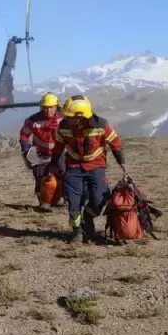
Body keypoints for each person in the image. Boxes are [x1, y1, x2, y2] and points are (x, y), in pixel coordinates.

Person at [51, 95, 128, 244]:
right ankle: (77, 231)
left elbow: (115, 143)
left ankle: (88, 216)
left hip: (96, 166)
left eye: (71, 117)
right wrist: (54, 164)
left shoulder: (101, 125)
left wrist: (122, 163)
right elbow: (58, 146)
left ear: (81, 116)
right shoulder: (63, 126)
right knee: (73, 204)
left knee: (100, 198)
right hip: (73, 168)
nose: (67, 118)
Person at [18, 91, 64, 211]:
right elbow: (24, 135)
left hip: (60, 153)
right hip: (40, 154)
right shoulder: (32, 120)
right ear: (41, 107)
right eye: (45, 107)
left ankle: (61, 197)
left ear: (56, 106)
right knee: (41, 178)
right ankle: (44, 202)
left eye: (51, 107)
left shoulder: (63, 118)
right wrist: (26, 150)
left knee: (64, 174)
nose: (48, 110)